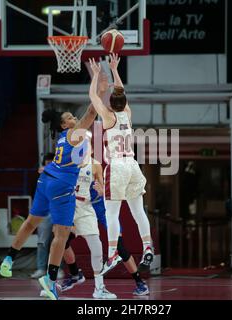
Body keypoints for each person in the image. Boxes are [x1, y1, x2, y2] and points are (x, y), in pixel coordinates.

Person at [0, 103, 98, 300]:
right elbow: (92, 112)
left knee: (31, 222)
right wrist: (99, 88)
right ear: (63, 125)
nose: (75, 119)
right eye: (70, 118)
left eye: (73, 117)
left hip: (46, 181)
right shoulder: (73, 133)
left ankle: (9, 259)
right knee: (61, 235)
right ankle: (50, 281)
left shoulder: (61, 139)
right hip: (61, 187)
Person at [88, 54, 154, 276]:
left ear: (111, 103)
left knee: (111, 214)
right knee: (138, 211)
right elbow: (120, 92)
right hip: (133, 165)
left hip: (117, 167)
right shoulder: (127, 114)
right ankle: (147, 247)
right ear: (124, 103)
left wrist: (97, 75)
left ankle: (113, 252)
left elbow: (92, 96)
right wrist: (115, 70)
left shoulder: (108, 117)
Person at [55, 148, 149, 297]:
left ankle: (139, 282)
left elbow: (108, 189)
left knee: (120, 247)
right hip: (84, 210)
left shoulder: (96, 166)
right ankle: (75, 274)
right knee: (62, 240)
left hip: (102, 210)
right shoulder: (72, 166)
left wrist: (102, 190)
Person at [30, 153, 64, 280]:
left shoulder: (62, 175)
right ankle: (41, 268)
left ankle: (59, 269)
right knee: (42, 241)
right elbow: (34, 192)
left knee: (59, 241)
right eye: (47, 163)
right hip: (44, 211)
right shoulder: (40, 176)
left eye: (52, 163)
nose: (49, 165)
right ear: (44, 164)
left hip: (59, 210)